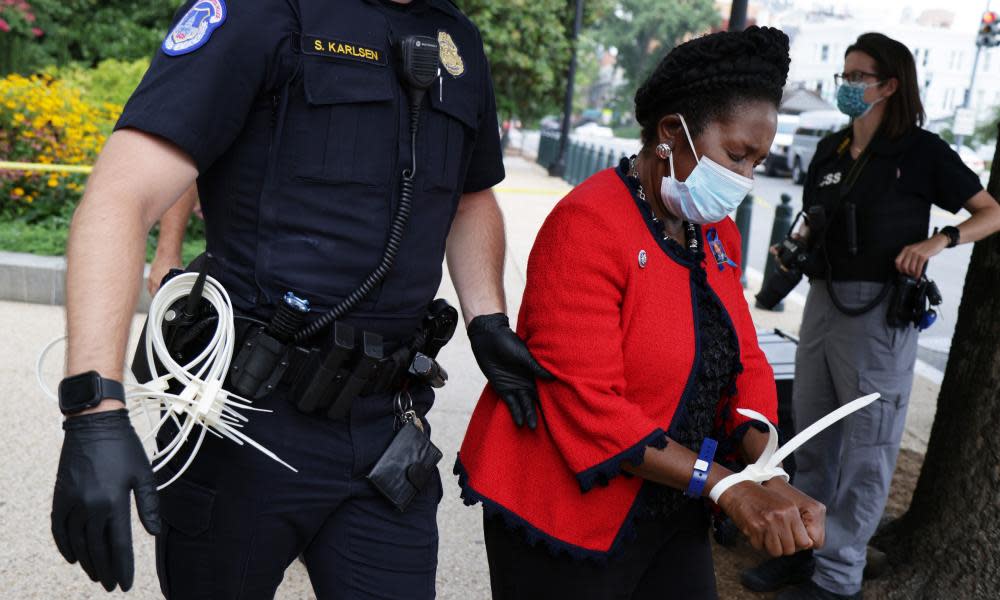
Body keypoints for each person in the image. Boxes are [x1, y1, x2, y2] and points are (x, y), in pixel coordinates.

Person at [50, 0, 549, 597]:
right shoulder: (258, 12)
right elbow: (117, 197)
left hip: (387, 425)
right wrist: (94, 413)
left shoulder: (458, 40)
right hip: (246, 418)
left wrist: (487, 319)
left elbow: (470, 199)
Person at [455, 26, 827, 600]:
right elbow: (589, 404)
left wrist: (764, 468)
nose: (747, 178)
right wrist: (728, 487)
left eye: (759, 160)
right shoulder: (587, 223)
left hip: (674, 496)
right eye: (736, 154)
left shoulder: (715, 231)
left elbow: (745, 357)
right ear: (670, 132)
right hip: (567, 506)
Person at [741, 32, 1000, 600]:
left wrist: (939, 241)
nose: (847, 87)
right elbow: (813, 217)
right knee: (813, 441)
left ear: (890, 85)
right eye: (844, 76)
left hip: (881, 314)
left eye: (858, 77)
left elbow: (991, 212)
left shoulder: (921, 151)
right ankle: (803, 553)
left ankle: (837, 578)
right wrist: (796, 246)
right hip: (823, 304)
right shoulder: (830, 151)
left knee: (868, 449)